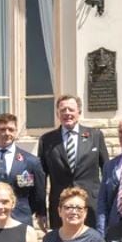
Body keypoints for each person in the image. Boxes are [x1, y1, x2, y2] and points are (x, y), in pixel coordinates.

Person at [38, 95, 109, 228]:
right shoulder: (46, 140)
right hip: (60, 207)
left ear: (79, 112)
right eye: (63, 110)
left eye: (71, 109)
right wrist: (41, 211)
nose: (67, 113)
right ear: (57, 113)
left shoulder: (95, 136)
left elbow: (107, 172)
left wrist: (108, 204)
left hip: (90, 206)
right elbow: (41, 178)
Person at [0, 113, 47, 229]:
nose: (7, 133)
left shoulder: (31, 162)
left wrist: (27, 210)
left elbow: (38, 194)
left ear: (15, 132)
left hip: (20, 221)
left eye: (11, 129)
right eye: (2, 129)